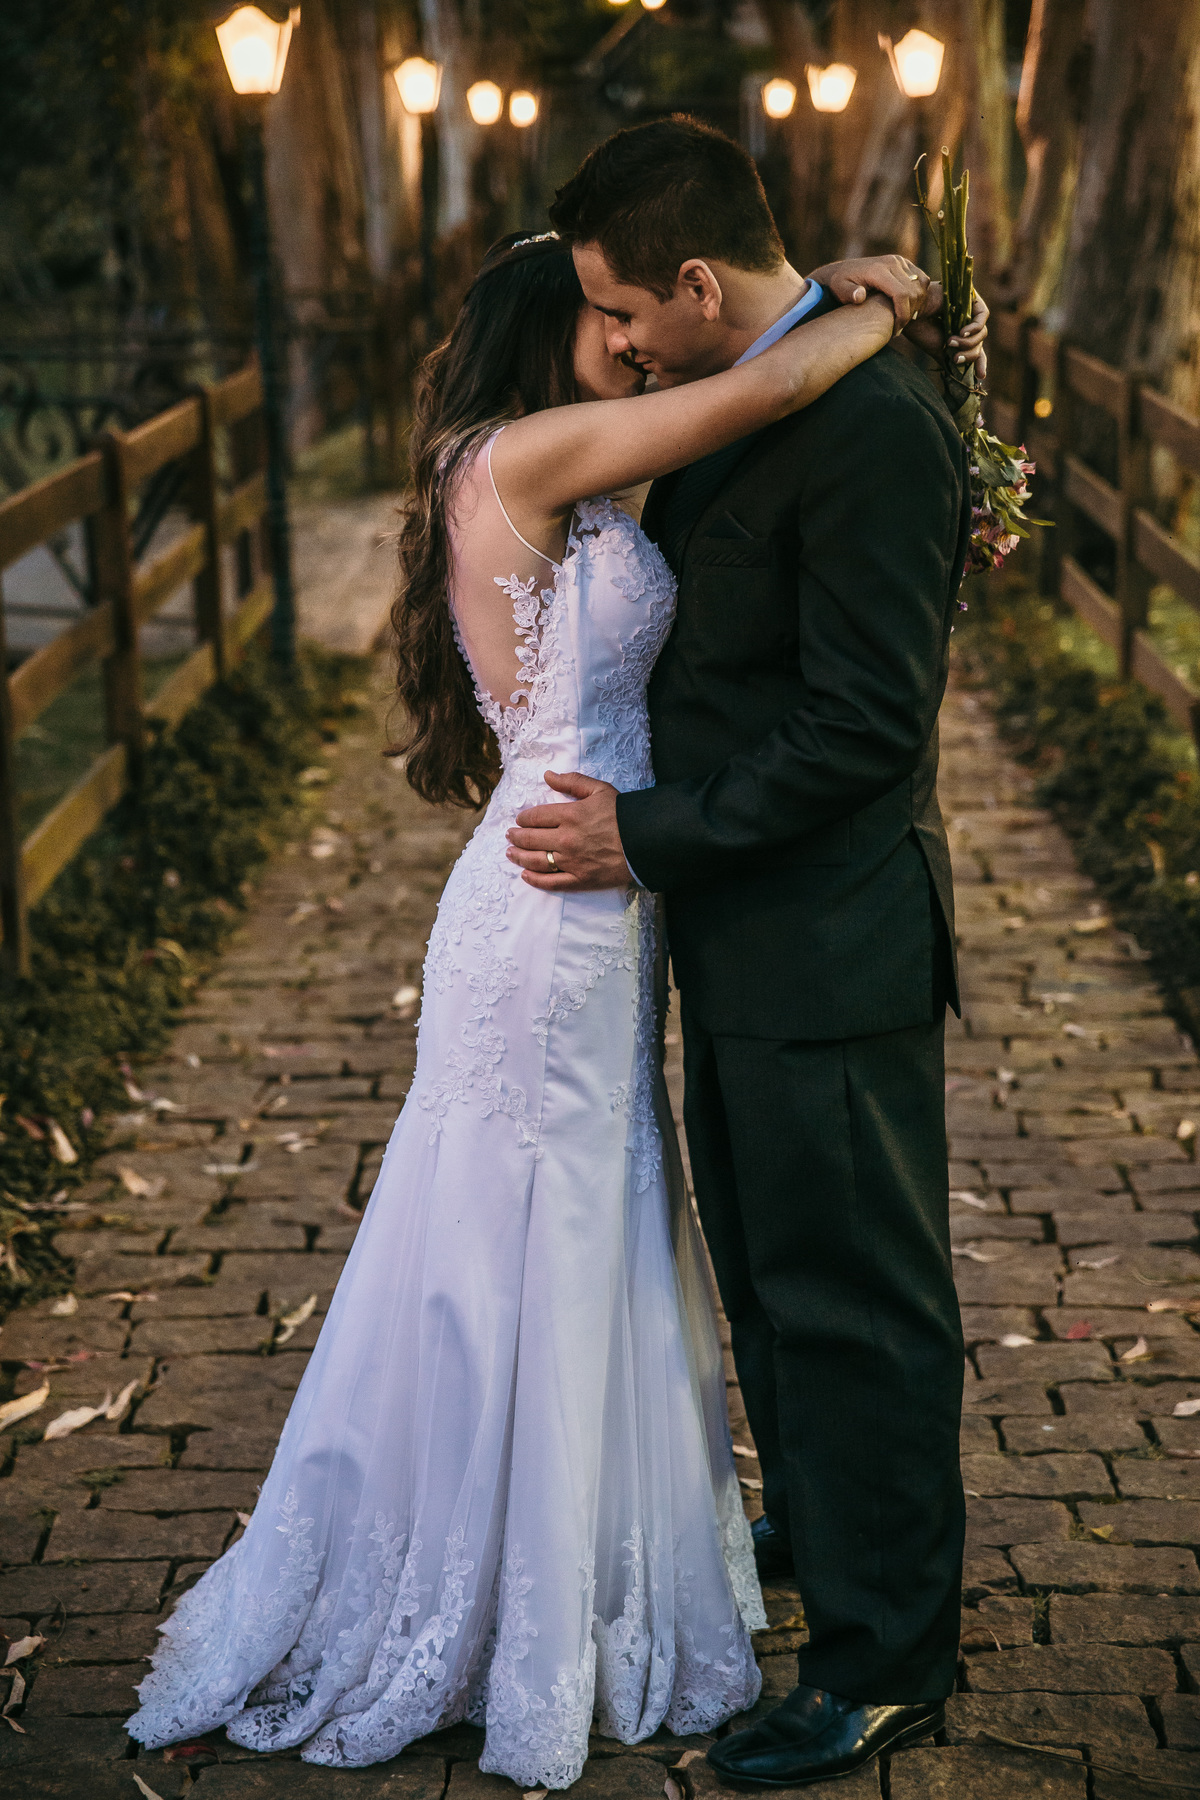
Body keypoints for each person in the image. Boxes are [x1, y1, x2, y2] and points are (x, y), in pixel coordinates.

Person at [125, 198, 977, 1785]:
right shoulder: (523, 457)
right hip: (560, 898)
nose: (635, 341)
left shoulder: (578, 468)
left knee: (618, 1227)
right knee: (545, 1225)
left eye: (636, 311)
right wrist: (877, 301)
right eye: (608, 317)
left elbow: (774, 485)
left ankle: (619, 1543)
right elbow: (760, 387)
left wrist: (845, 325)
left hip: (619, 896)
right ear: (554, 330)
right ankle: (508, 1560)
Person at [502, 115, 979, 1789]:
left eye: (625, 310)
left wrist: (645, 834)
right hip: (744, 937)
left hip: (832, 943)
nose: (619, 343)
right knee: (778, 1292)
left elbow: (863, 726)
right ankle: (839, 1537)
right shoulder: (760, 384)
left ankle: (886, 1658)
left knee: (857, 1305)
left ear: (697, 283)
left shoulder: (876, 430)